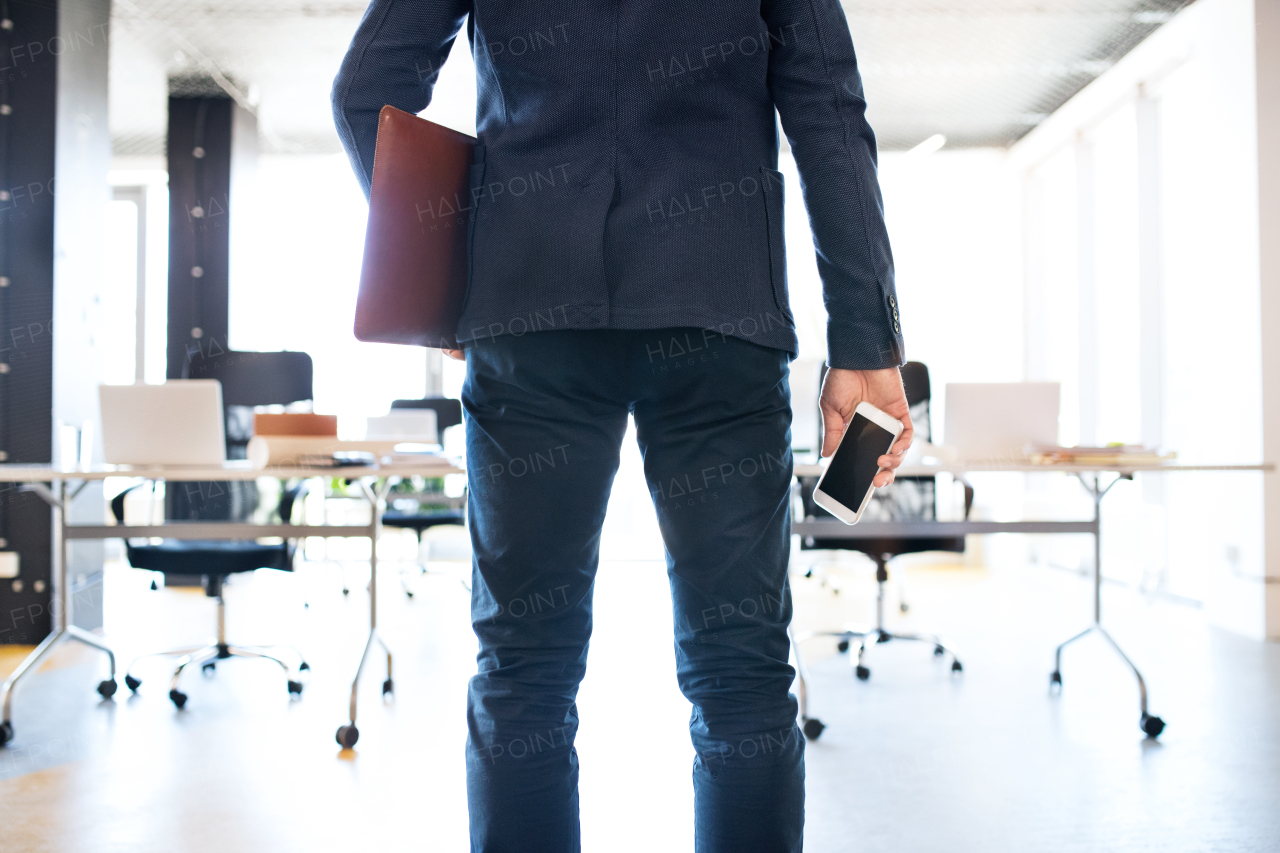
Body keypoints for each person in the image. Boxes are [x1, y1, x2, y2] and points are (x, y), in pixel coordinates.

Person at [333, 2, 911, 850]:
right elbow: (826, 108)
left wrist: (458, 276)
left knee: (522, 670)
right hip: (717, 310)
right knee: (741, 673)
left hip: (529, 313)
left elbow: (366, 88)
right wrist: (866, 344)